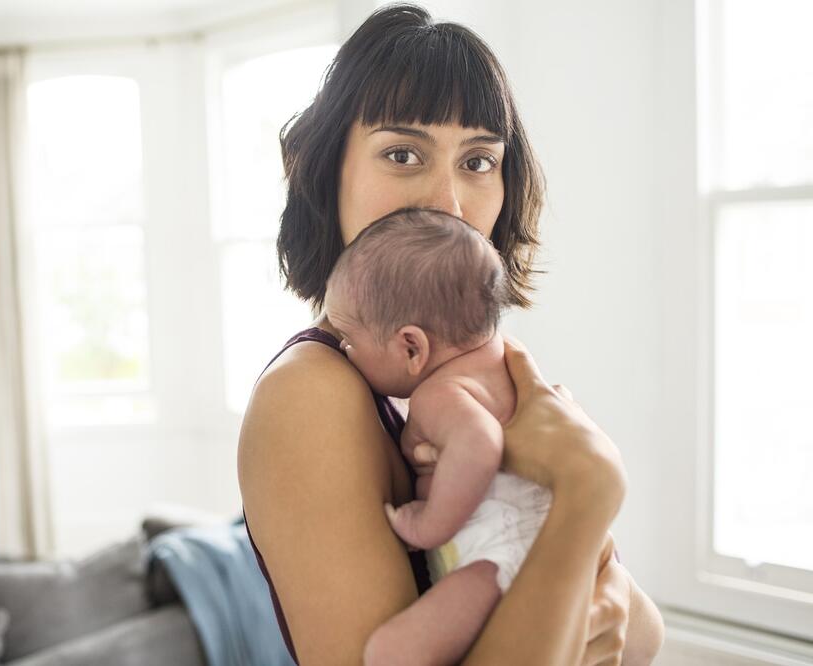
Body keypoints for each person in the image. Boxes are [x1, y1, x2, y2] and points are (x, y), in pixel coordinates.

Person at [237, 4, 665, 665]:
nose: (450, 204)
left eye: (478, 161)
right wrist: (590, 485)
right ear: (322, 168)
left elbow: (635, 636)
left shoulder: (459, 372)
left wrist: (578, 590)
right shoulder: (310, 393)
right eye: (403, 153)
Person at [322, 207, 556, 665]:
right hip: (542, 540)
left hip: (504, 552)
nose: (343, 350)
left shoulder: (440, 393)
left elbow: (480, 444)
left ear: (412, 348)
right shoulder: (501, 362)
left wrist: (429, 523)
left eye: (349, 339)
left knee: (392, 653)